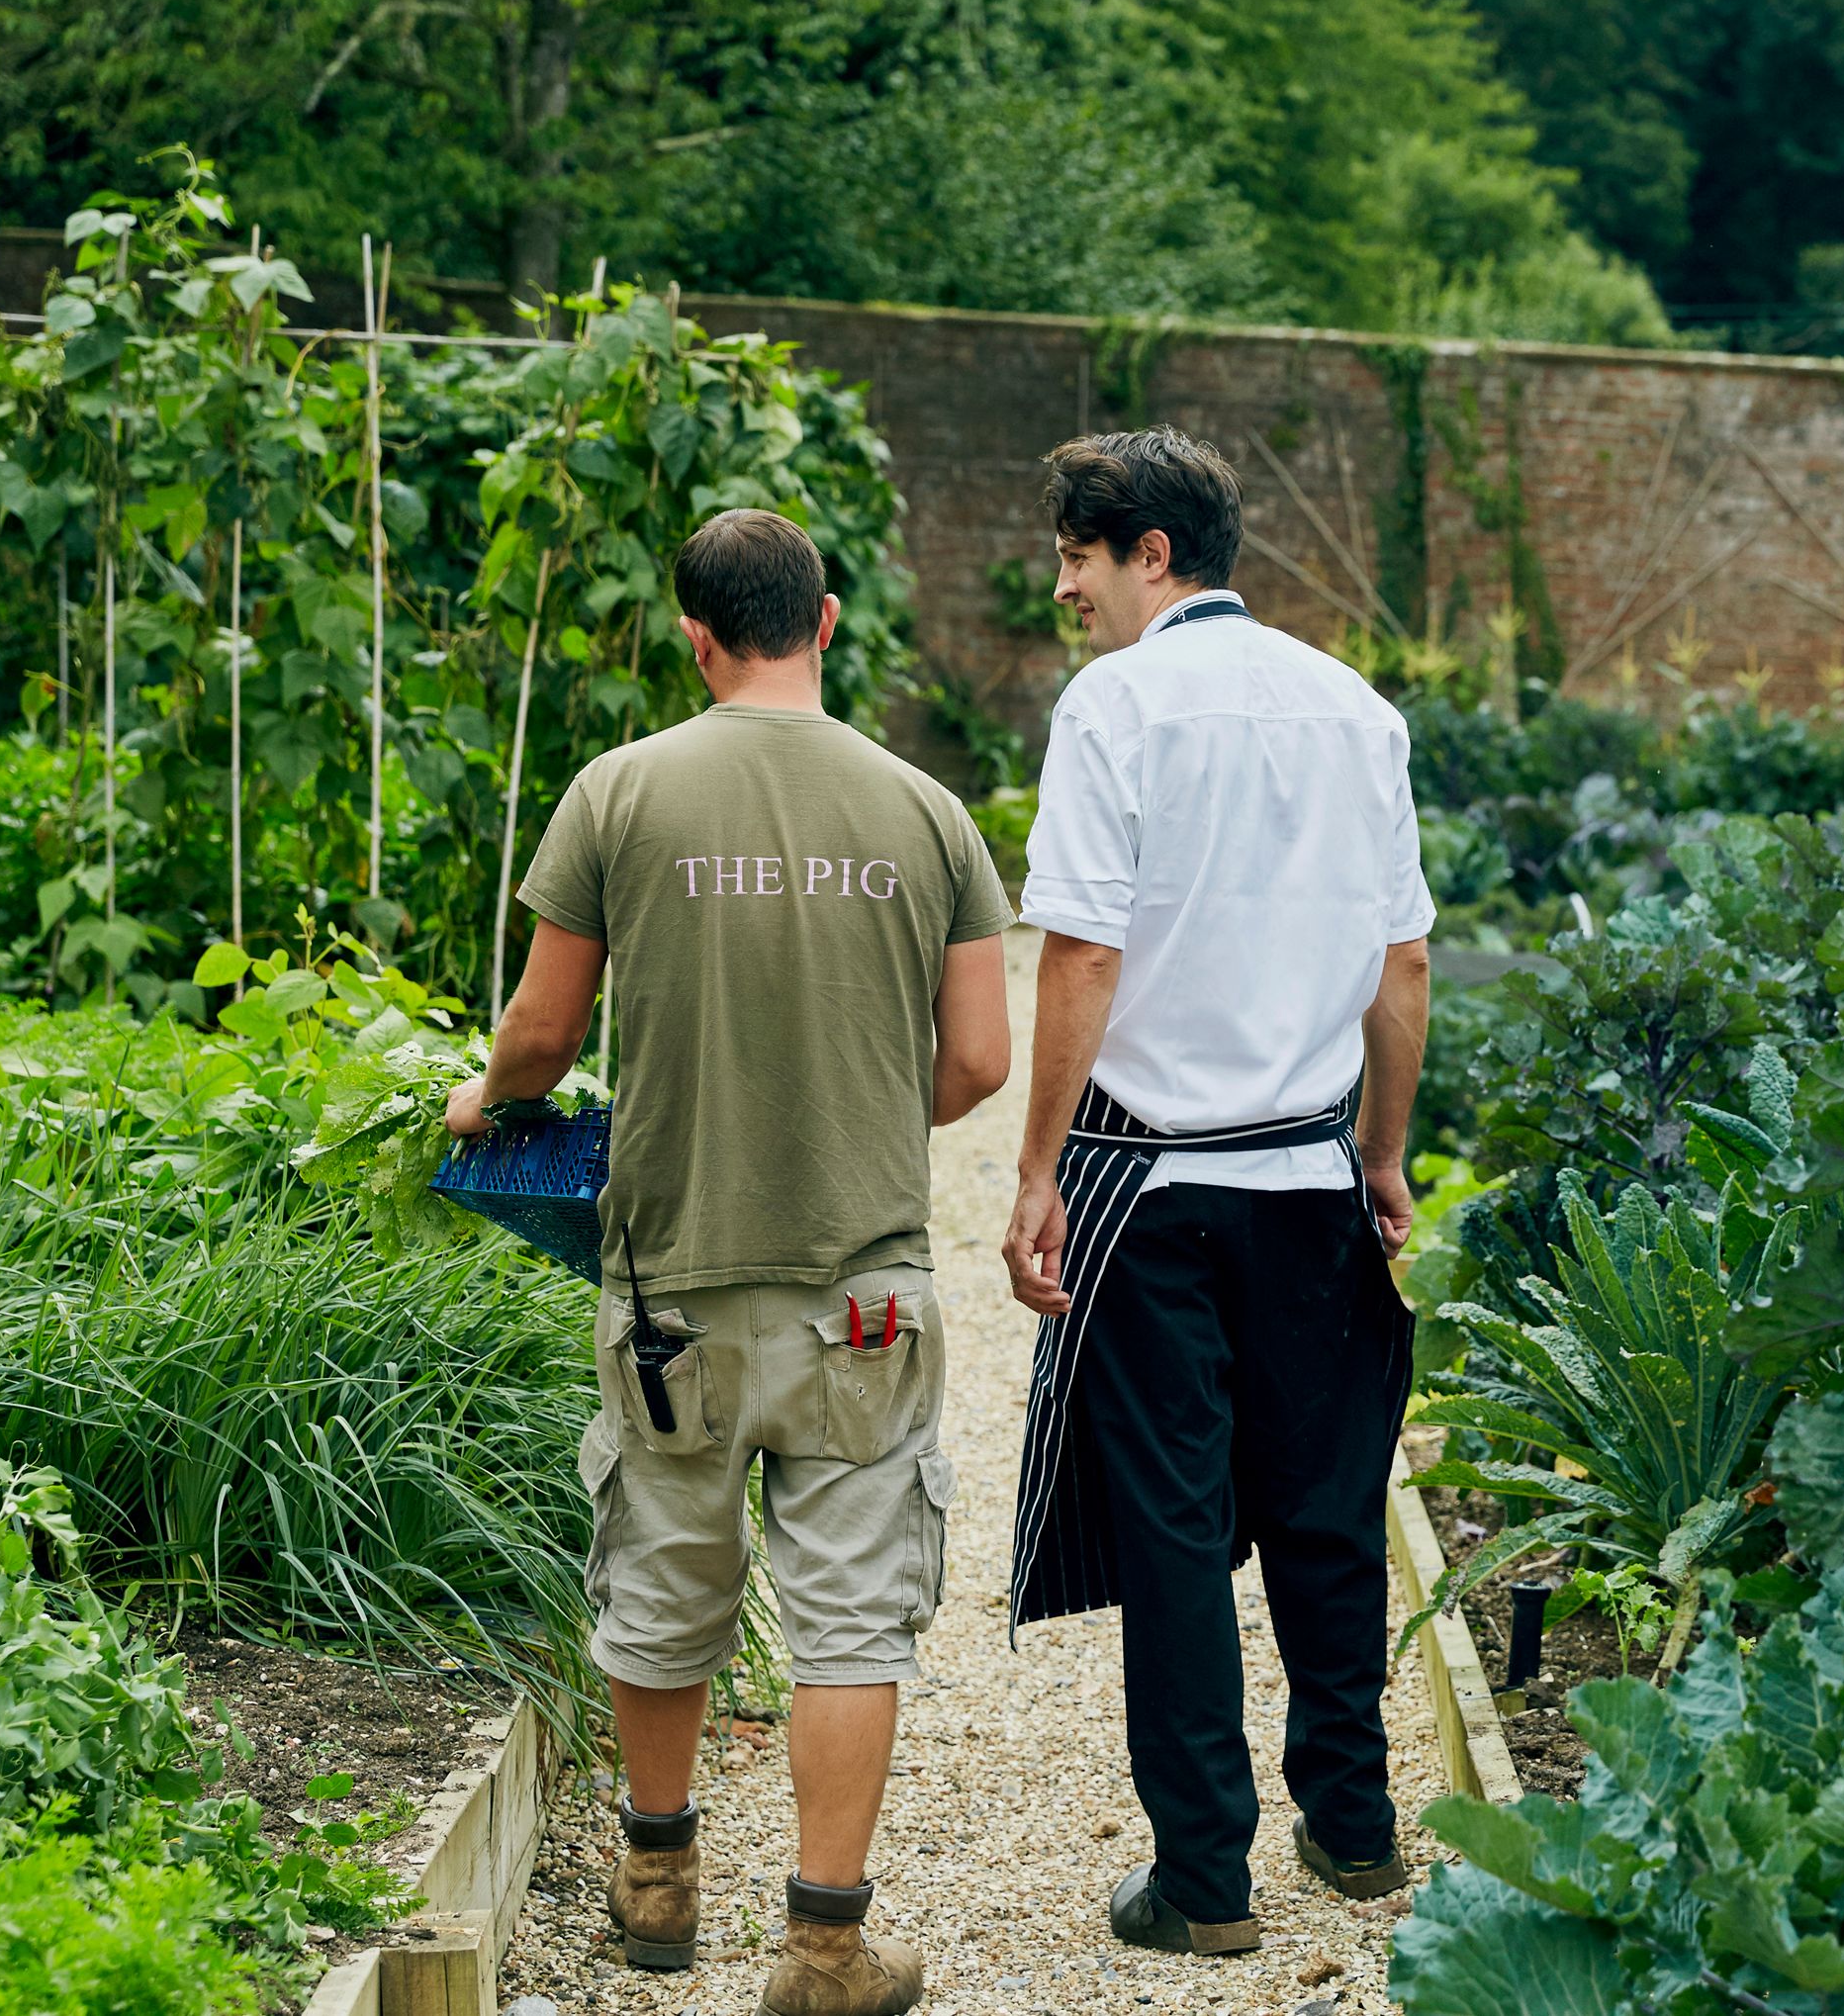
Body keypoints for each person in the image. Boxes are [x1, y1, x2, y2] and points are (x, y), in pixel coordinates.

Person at [446, 508, 1012, 2016]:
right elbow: (975, 1061)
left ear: (693, 636)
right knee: (846, 1613)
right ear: (825, 621)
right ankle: (824, 1949)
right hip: (866, 1293)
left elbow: (547, 1033)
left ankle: (657, 1881)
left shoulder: (617, 794)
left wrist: (485, 1099)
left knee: (660, 1574)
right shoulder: (928, 812)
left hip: (669, 1290)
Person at [1000, 425, 1433, 1960]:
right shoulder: (1354, 707)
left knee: (1176, 1532)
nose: (1066, 589)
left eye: (1078, 558)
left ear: (1150, 555)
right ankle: (1360, 1826)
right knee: (1327, 1513)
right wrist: (1381, 1153)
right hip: (1311, 1177)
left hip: (1153, 1186)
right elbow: (1401, 967)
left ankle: (1205, 1876)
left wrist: (1039, 1166)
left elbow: (1086, 954)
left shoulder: (1114, 704)